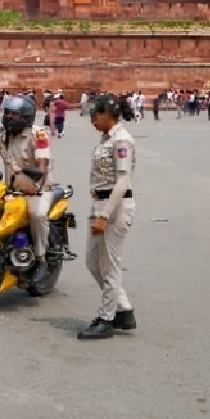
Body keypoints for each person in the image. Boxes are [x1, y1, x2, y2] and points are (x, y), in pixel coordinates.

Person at [0, 94, 54, 285]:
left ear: (26, 116)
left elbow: (42, 163)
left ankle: (41, 259)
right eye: (7, 113)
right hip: (11, 191)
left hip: (37, 189)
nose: (8, 117)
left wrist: (36, 184)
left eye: (13, 114)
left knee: (37, 213)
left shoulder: (39, 134)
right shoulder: (0, 134)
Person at [78, 93, 138, 340]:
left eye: (96, 114)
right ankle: (123, 310)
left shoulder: (122, 140)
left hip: (115, 207)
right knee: (93, 262)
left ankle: (106, 319)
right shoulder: (106, 138)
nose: (92, 118)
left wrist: (104, 214)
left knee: (110, 265)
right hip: (100, 203)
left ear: (108, 114)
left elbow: (123, 180)